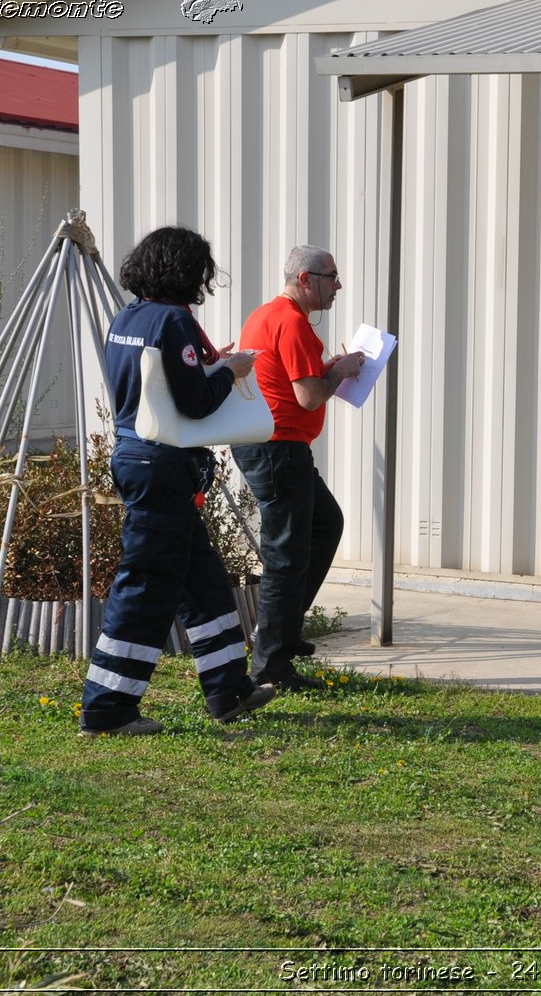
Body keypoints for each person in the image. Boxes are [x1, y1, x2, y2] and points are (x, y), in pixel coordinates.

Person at [79, 226, 276, 736]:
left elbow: (161, 384)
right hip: (162, 465)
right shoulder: (174, 321)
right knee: (145, 588)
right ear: (186, 273)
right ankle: (108, 709)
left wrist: (212, 366)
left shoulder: (129, 317)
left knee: (203, 580)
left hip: (137, 458)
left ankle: (229, 689)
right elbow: (194, 403)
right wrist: (230, 371)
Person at [230, 245, 363, 692]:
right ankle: (270, 664)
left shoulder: (266, 315)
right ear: (306, 279)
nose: (338, 286)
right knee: (286, 558)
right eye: (332, 276)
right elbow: (308, 396)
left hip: (271, 446)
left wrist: (328, 368)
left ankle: (283, 632)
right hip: (279, 449)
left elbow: (292, 379)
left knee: (325, 524)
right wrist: (342, 370)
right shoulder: (293, 323)